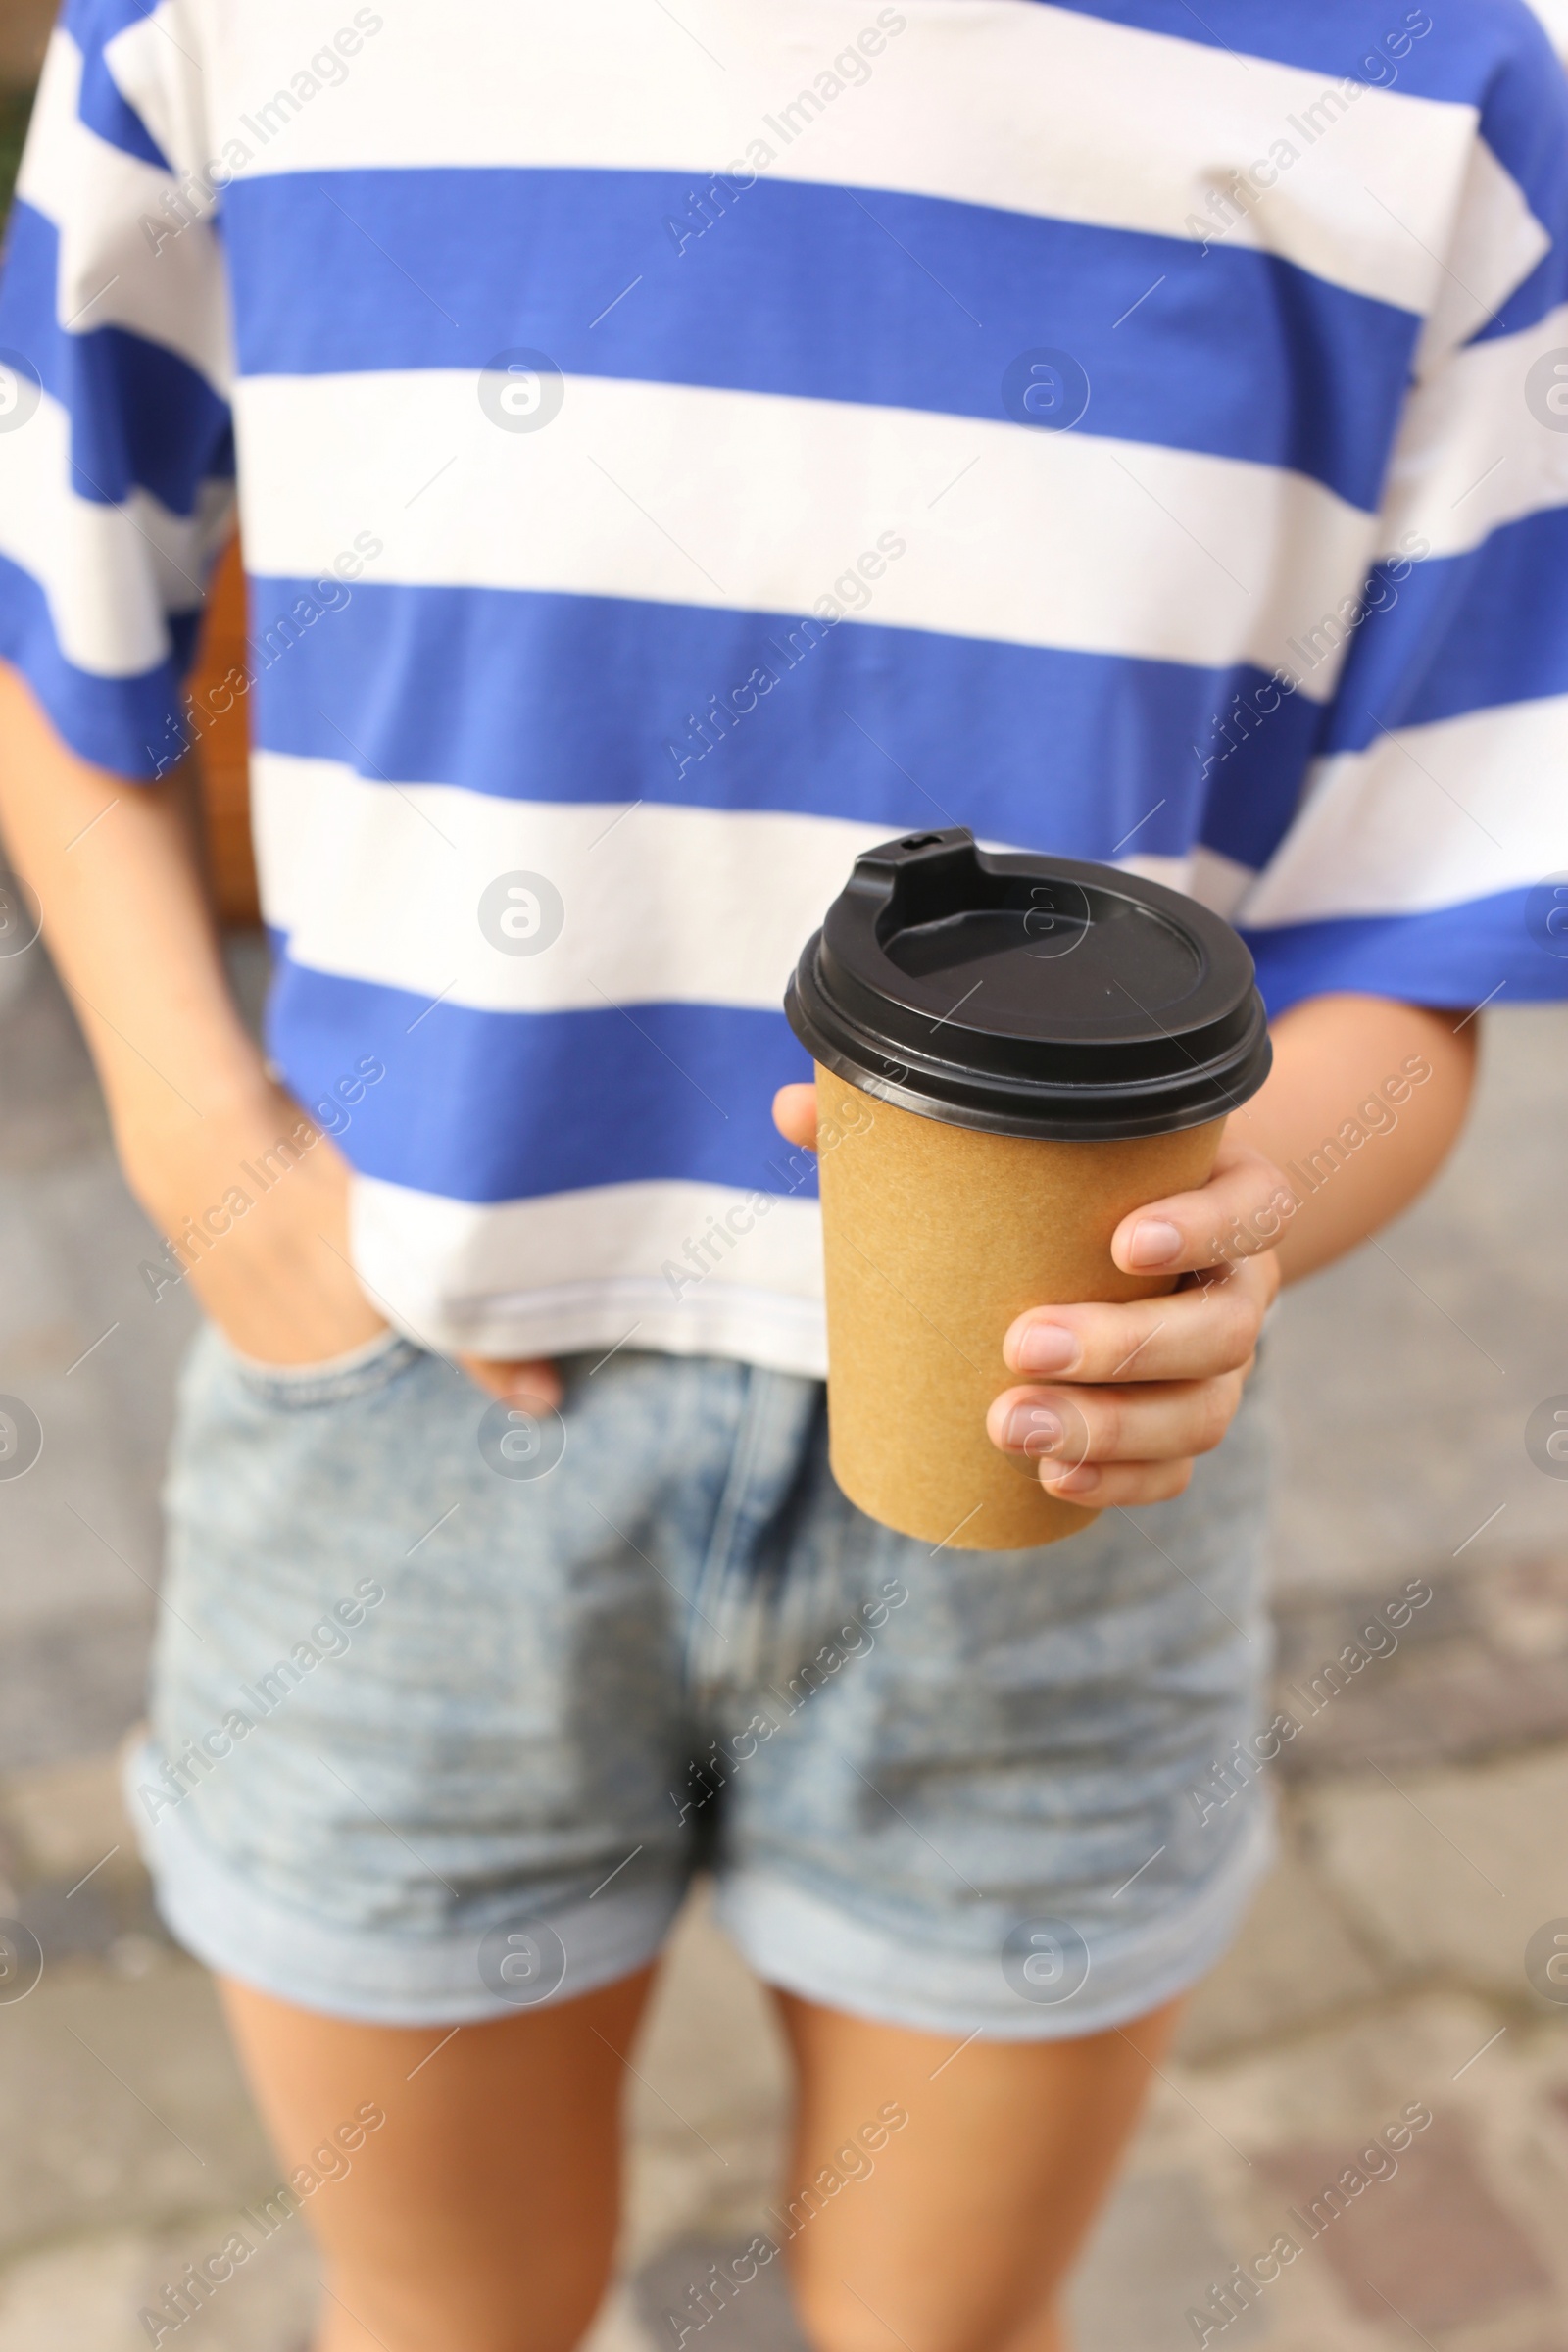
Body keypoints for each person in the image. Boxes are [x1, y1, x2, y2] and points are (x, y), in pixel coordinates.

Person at [1, 3, 1564, 2346]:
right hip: (406, 1444)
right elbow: (61, 621)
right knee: (442, 2317)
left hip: (1052, 1496)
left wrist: (1217, 1247)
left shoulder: (1440, 76)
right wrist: (210, 1160)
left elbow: (1421, 918)